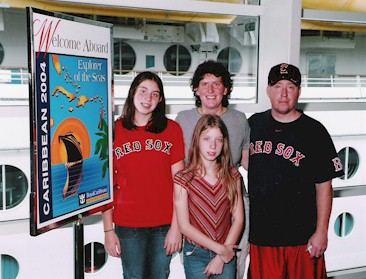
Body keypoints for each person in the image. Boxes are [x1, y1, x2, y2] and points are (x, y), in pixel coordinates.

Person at [246, 63, 344, 279]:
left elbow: (324, 186)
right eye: (278, 86)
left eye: (290, 87)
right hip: (263, 237)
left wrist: (322, 232)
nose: (283, 94)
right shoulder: (253, 124)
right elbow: (238, 163)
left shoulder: (315, 131)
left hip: (303, 238)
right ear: (268, 90)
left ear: (299, 91)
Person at [102, 71, 185, 279]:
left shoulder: (172, 130)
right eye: (143, 91)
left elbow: (180, 184)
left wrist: (177, 228)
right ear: (132, 93)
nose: (148, 99)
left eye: (155, 94)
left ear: (161, 99)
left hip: (164, 226)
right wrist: (108, 231)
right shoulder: (113, 131)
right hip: (128, 226)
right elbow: (105, 186)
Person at [175, 60, 251, 278]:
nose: (210, 90)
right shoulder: (183, 119)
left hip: (230, 194)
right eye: (204, 84)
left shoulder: (239, 119)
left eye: (216, 84)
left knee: (234, 264)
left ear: (225, 89)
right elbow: (178, 168)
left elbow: (247, 163)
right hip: (195, 199)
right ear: (196, 89)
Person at [174, 114, 244, 278]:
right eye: (207, 139)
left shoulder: (232, 176)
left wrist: (221, 257)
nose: (213, 146)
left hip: (226, 253)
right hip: (196, 254)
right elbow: (184, 226)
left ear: (224, 143)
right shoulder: (183, 179)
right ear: (197, 140)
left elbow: (238, 219)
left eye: (218, 140)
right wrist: (221, 250)